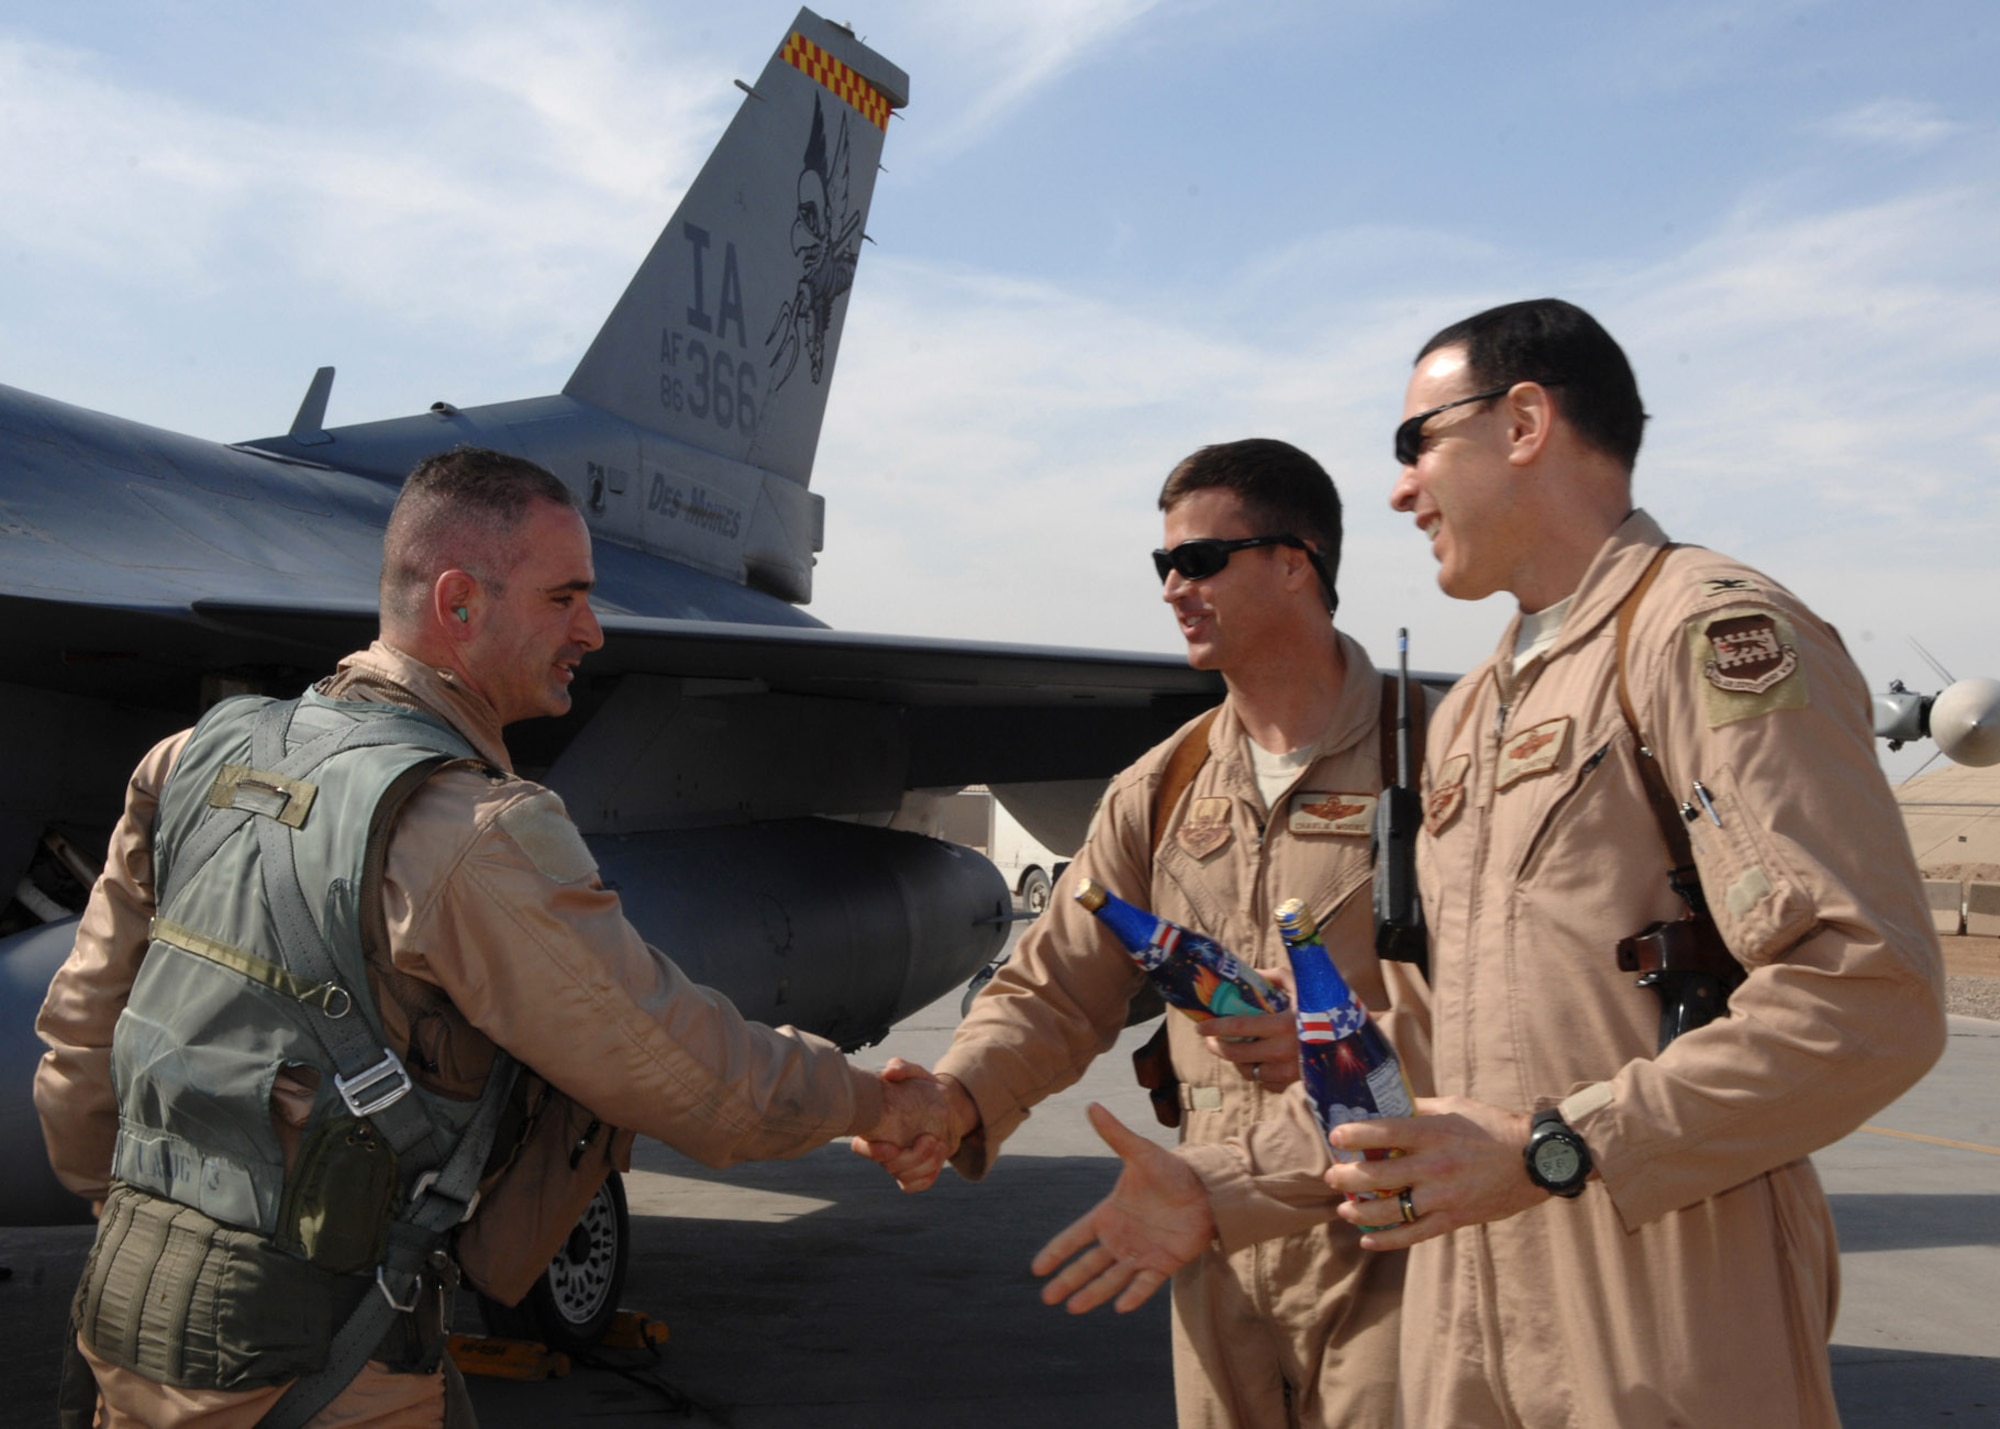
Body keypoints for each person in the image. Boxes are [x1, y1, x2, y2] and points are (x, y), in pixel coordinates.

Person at [1035, 300, 1948, 1428]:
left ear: (1523, 421)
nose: (1398, 490)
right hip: (1464, 1318)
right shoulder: (1470, 713)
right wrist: (1222, 1185)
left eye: (1414, 442)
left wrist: (1559, 1148)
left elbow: (1869, 991)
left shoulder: (1702, 637)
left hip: (1658, 1297)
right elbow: (1416, 1033)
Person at [34, 447, 946, 1428]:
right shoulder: (468, 831)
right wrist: (869, 1100)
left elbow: (81, 1037)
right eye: (564, 599)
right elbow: (687, 1075)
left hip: (130, 1324)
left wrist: (154, 1235)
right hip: (310, 1364)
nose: (592, 631)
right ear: (459, 604)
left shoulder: (186, 761)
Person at [862, 439, 1432, 1429]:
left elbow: (1528, 1000)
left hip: (1402, 1238)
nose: (1173, 588)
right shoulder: (1161, 789)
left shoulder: (1442, 761)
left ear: (1296, 561)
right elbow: (1055, 989)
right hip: (1208, 1232)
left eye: (1200, 560)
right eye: (1161, 565)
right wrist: (957, 1096)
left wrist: (1339, 1026)